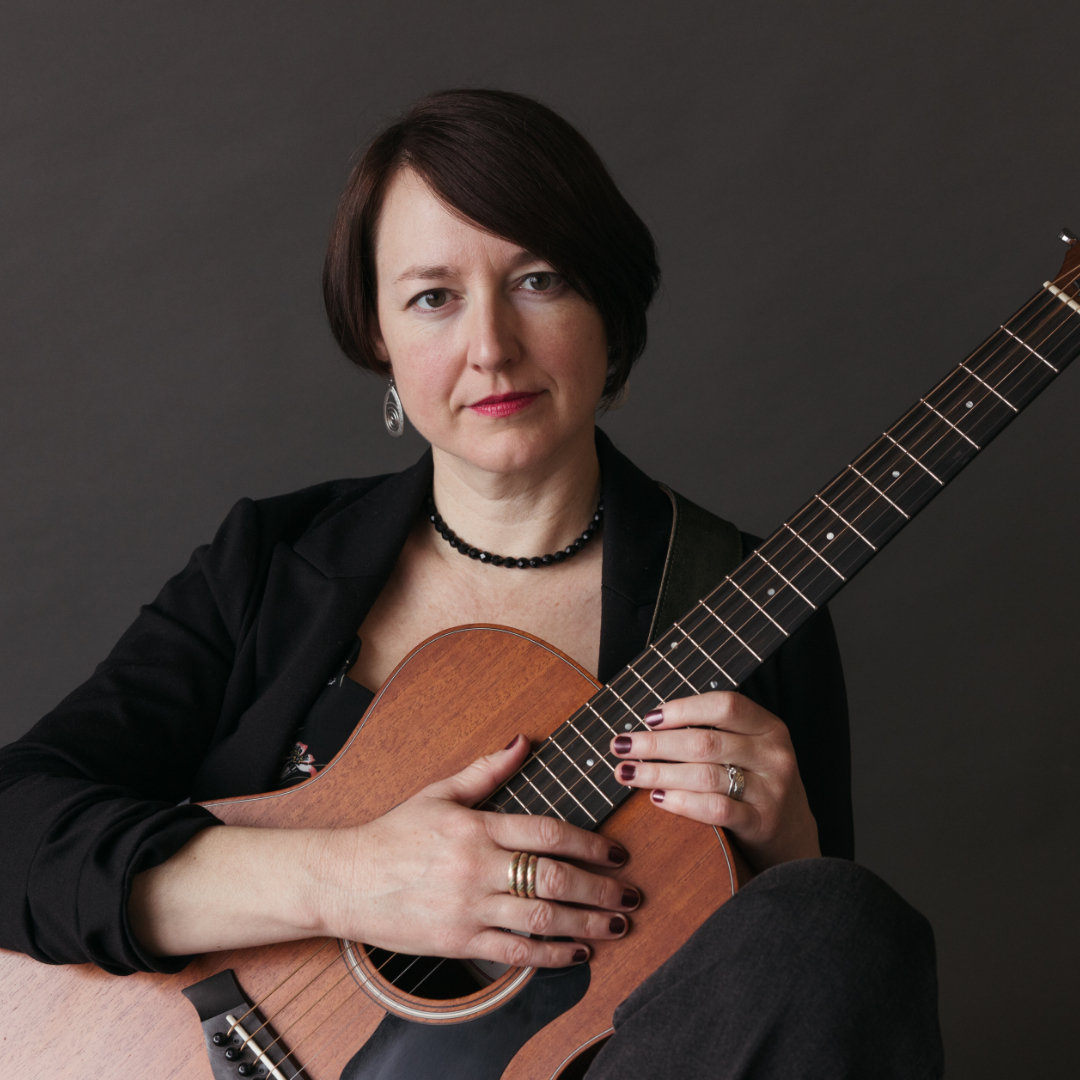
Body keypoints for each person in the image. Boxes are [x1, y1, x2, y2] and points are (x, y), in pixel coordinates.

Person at [0, 89, 941, 1077]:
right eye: (433, 297)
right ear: (378, 335)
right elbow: (13, 825)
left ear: (607, 311)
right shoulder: (272, 567)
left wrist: (791, 851)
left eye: (538, 280)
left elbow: (804, 1016)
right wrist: (350, 877)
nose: (491, 347)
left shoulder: (747, 602)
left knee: (839, 920)